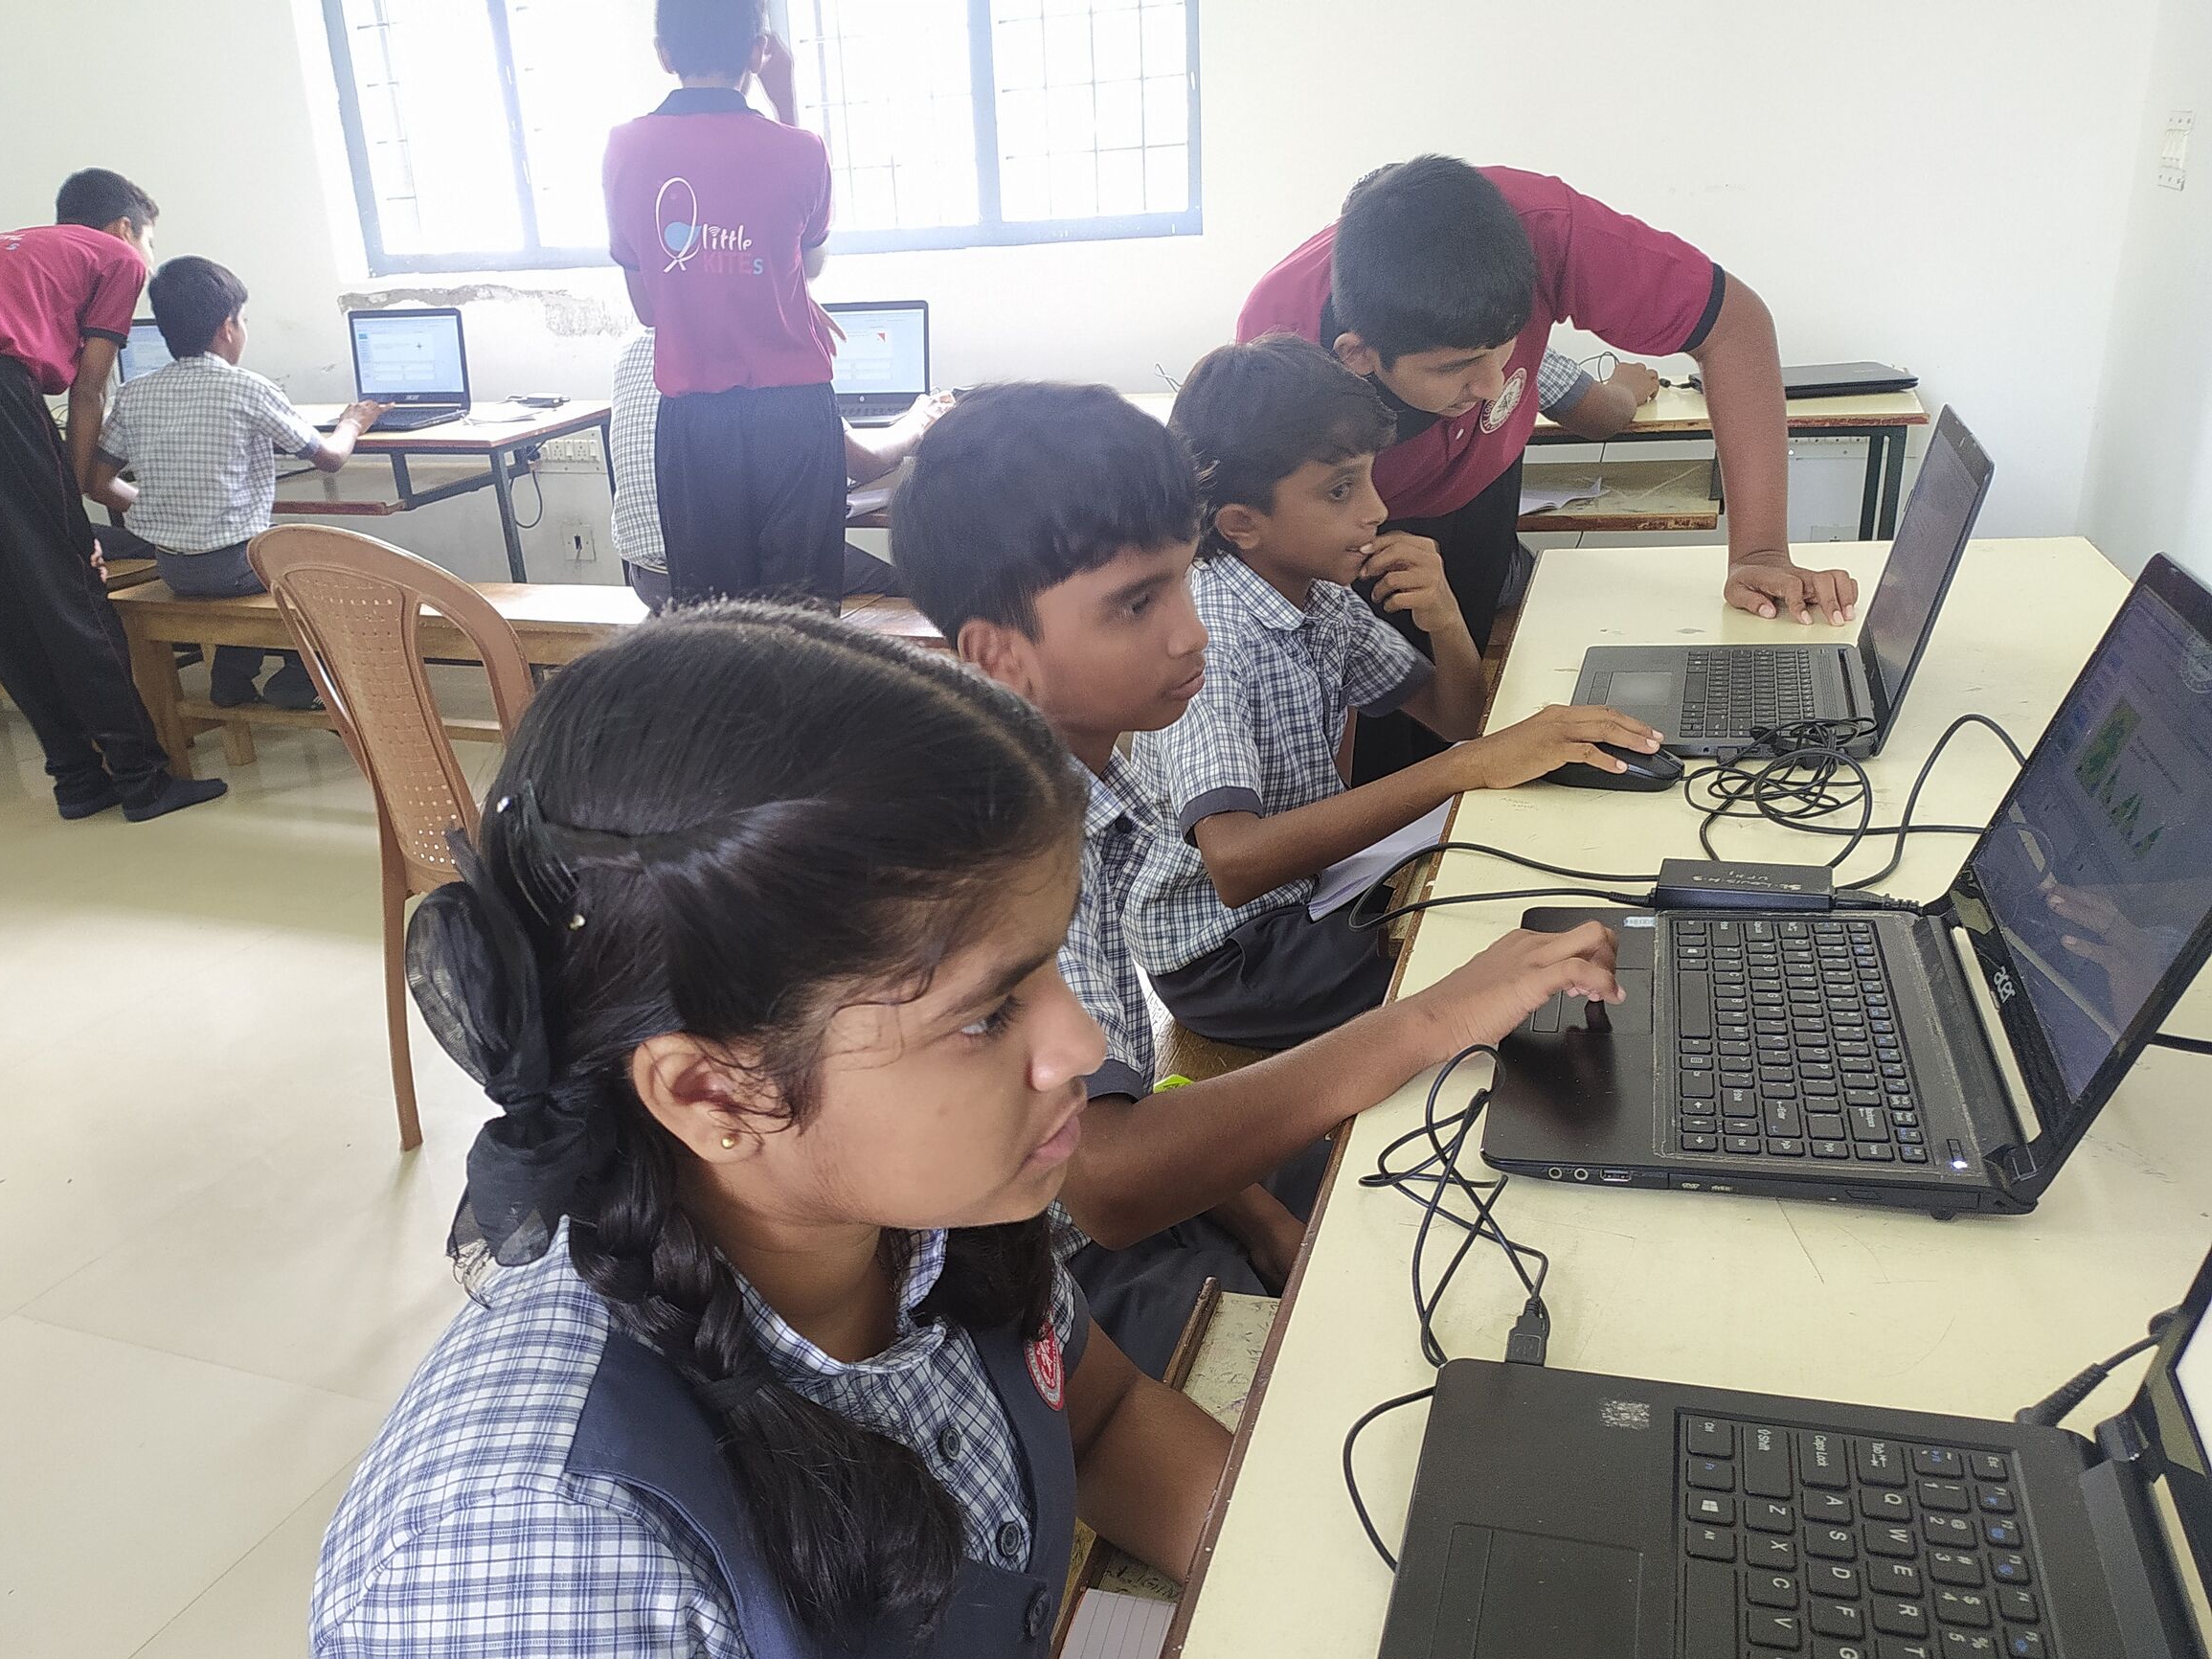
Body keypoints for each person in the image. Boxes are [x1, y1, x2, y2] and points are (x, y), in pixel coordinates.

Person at [312, 606, 1230, 1659]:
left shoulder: (923, 1222)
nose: (1084, 1042)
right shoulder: (533, 1559)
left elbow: (1102, 1415)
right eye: (986, 1012)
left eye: (1052, 965)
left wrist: (1337, 1582)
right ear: (713, 1093)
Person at [894, 381, 1626, 1372]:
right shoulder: (1002, 845)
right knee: (1378, 1316)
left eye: (1181, 583)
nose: (1190, 631)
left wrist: (1261, 1217)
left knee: (1443, 1161)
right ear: (1001, 656)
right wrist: (1433, 1015)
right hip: (1035, 1271)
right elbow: (1106, 1185)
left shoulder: (1081, 781)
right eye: (1136, 603)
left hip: (1100, 1192)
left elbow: (1115, 1103)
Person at [1123, 337, 1660, 1053]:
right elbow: (1236, 863)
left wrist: (1445, 618)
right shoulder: (1212, 640)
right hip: (1236, 957)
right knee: (1494, 965)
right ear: (1242, 523)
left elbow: (1454, 717)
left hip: (1315, 895)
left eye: (1369, 480)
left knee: (1513, 890)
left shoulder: (1319, 593)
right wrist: (1464, 766)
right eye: (1340, 490)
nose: (1376, 509)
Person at [1241, 156, 1856, 781]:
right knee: (1379, 752)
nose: (1492, 386)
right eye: (1456, 367)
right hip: (1360, 540)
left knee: (1473, 702)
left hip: (1480, 501)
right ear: (1358, 356)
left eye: (1504, 350)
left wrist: (1759, 552)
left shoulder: (1543, 234)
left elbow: (1730, 328)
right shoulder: (1278, 346)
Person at [0, 168, 224, 821]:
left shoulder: (13, 245)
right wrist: (72, 508)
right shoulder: (118, 256)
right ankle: (143, 781)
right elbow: (89, 388)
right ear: (125, 227)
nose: (148, 256)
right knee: (70, 585)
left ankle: (76, 779)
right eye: (150, 239)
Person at [603, 0, 845, 604]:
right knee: (805, 621)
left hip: (696, 424)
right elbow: (808, 265)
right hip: (793, 416)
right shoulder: (802, 149)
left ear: (664, 54)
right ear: (759, 52)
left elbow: (649, 311)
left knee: (715, 626)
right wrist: (787, 103)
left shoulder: (626, 149)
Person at [90, 255, 378, 710]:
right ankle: (300, 678)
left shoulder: (134, 393)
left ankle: (232, 676)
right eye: (243, 320)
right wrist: (353, 423)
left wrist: (161, 506)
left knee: (263, 555)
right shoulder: (247, 388)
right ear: (227, 327)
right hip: (235, 565)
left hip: (175, 567)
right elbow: (329, 459)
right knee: (319, 561)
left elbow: (96, 482)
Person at [608, 324, 946, 607]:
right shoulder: (759, 349)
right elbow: (864, 463)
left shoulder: (635, 350)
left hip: (650, 577)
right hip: (738, 579)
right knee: (904, 586)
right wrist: (918, 422)